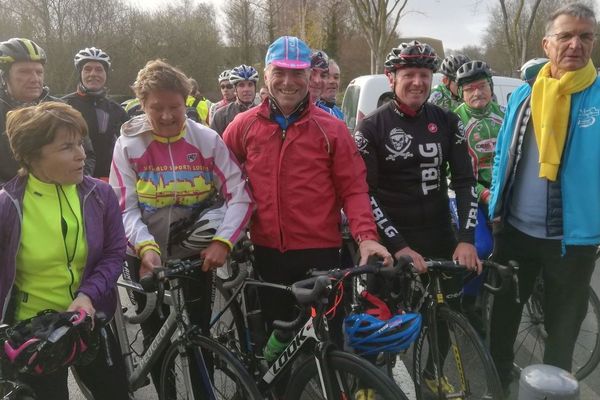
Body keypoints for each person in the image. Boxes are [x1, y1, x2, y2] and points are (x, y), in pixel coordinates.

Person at [223, 35, 392, 348]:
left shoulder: (332, 128)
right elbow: (221, 178)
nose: (288, 82)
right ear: (266, 74)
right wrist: (229, 230)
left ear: (310, 76)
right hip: (267, 253)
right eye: (280, 72)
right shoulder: (242, 125)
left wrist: (366, 236)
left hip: (322, 256)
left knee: (326, 343)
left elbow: (354, 188)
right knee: (277, 346)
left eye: (297, 73)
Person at [109, 59, 253, 392]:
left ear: (186, 101)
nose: (167, 116)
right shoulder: (128, 145)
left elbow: (239, 195)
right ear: (142, 104)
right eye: (156, 107)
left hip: (194, 253)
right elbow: (125, 208)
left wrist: (223, 242)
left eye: (175, 106)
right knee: (156, 339)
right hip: (146, 254)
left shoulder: (206, 140)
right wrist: (145, 247)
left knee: (198, 336)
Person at [354, 40, 480, 396]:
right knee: (379, 316)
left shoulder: (447, 121)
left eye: (424, 74)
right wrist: (399, 246)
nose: (417, 82)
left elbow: (466, 181)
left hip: (439, 230)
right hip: (391, 237)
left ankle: (429, 372)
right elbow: (366, 193)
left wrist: (466, 238)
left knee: (444, 313)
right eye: (408, 74)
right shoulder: (372, 128)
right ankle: (367, 380)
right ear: (390, 78)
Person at [488, 3, 600, 395]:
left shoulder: (598, 95)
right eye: (566, 36)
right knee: (502, 319)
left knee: (562, 330)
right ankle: (497, 382)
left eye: (586, 37)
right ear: (546, 43)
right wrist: (494, 210)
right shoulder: (525, 92)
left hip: (572, 242)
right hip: (515, 232)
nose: (576, 44)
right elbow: (504, 151)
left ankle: (552, 393)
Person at [0, 101, 128, 400]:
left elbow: (114, 252)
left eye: (81, 143)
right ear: (33, 156)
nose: (82, 154)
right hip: (33, 334)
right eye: (67, 147)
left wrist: (88, 295)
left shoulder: (100, 194)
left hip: (90, 321)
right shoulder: (8, 206)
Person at [0, 38, 94, 185]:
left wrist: (77, 187)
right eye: (24, 72)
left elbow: (87, 155)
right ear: (4, 76)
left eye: (39, 72)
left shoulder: (61, 108)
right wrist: (12, 197)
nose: (35, 79)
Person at [63, 47, 128, 179]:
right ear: (80, 73)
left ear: (106, 74)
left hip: (109, 181)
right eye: (87, 69)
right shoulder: (64, 105)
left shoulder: (117, 110)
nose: (93, 74)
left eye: (99, 69)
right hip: (73, 180)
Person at [210, 64, 258, 135]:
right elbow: (213, 144)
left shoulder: (264, 114)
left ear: (255, 88)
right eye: (241, 85)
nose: (246, 89)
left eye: (250, 84)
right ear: (235, 90)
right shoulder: (221, 115)